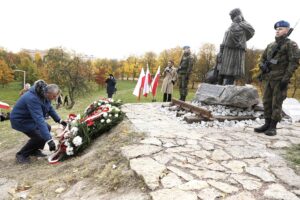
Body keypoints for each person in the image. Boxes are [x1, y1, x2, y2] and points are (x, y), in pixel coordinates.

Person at [254, 20, 299, 136]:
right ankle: (266, 123)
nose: (277, 31)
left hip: (280, 79)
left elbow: (293, 62)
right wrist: (262, 66)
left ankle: (273, 127)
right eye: (277, 29)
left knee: (276, 103)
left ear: (287, 30)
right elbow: (263, 58)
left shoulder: (291, 45)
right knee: (266, 101)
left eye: (280, 29)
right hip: (268, 78)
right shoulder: (271, 45)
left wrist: (286, 77)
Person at [10, 80, 67, 164]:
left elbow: (50, 108)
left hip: (29, 118)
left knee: (46, 129)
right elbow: (39, 120)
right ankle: (21, 155)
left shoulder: (44, 93)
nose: (55, 98)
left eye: (56, 96)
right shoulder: (32, 98)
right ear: (48, 93)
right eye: (54, 96)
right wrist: (49, 140)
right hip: (20, 120)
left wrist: (59, 120)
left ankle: (33, 150)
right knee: (40, 137)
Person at [218, 8, 255, 85]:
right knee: (224, 71)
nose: (232, 19)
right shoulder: (231, 26)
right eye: (232, 17)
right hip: (227, 50)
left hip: (236, 50)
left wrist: (240, 24)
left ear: (239, 15)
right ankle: (222, 85)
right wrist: (221, 51)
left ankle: (229, 87)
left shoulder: (244, 25)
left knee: (231, 71)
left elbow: (251, 31)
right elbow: (224, 39)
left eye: (233, 16)